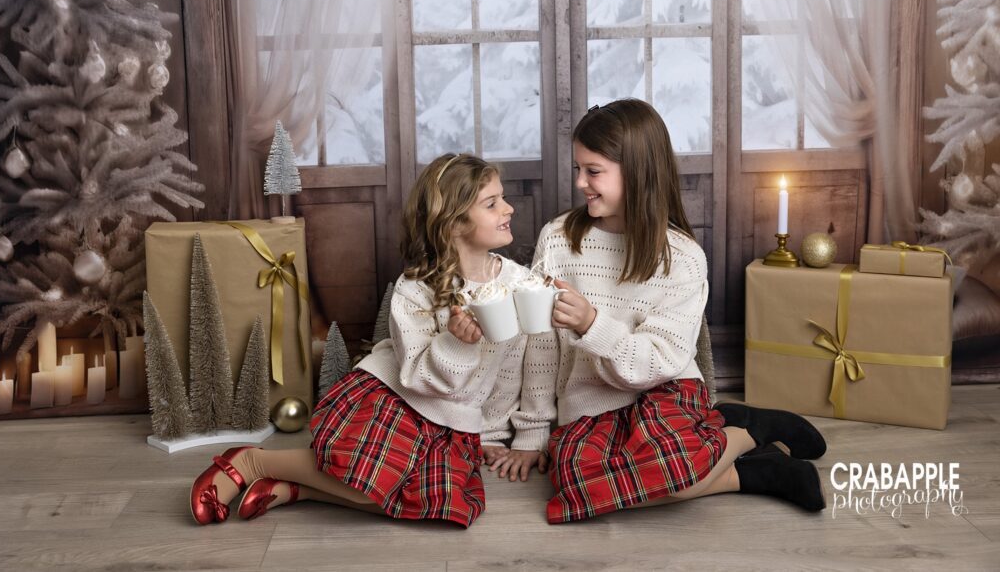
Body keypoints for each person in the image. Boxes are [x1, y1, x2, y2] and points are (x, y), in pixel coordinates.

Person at [189, 153, 553, 527]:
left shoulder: (517, 283)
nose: (508, 208)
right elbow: (414, 375)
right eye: (491, 203)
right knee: (373, 482)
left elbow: (509, 367)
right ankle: (252, 461)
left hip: (453, 421)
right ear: (452, 222)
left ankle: (297, 487)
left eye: (502, 197)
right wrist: (457, 343)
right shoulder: (415, 289)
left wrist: (489, 431)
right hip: (401, 400)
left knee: (441, 504)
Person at [536, 99, 827, 524]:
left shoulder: (683, 258)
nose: (580, 182)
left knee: (668, 469)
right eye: (577, 168)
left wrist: (592, 325)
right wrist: (532, 430)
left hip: (661, 388)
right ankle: (749, 466)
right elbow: (540, 346)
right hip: (589, 403)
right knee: (577, 488)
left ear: (637, 173)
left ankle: (746, 431)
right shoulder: (557, 240)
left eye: (593, 171)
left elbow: (662, 361)